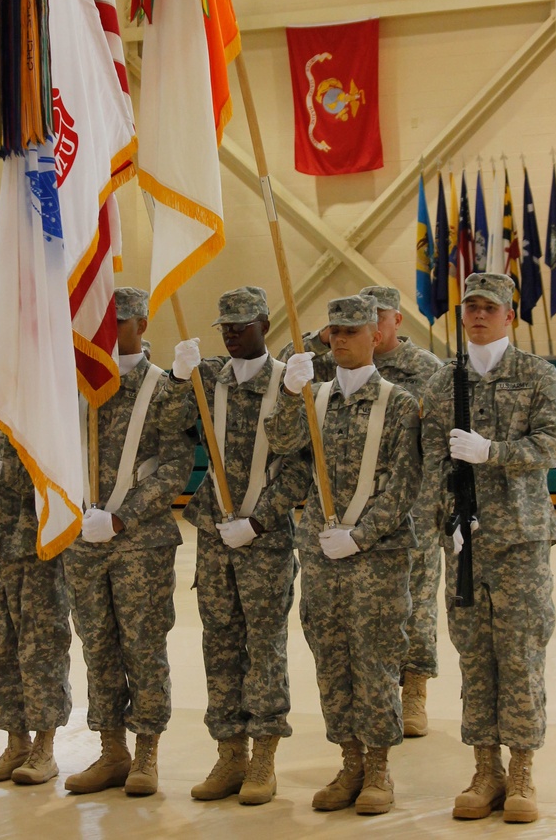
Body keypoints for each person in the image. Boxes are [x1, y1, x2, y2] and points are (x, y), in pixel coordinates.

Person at [421, 272, 556, 824]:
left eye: (490, 307)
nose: (478, 316)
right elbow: (433, 459)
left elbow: (552, 445)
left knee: (521, 655)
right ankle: (486, 770)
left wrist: (493, 451)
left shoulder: (537, 376)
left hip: (520, 542)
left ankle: (523, 769)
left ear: (510, 315)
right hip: (465, 545)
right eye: (470, 308)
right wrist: (447, 518)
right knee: (474, 658)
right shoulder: (445, 382)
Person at [266, 293, 421, 816]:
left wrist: (362, 534)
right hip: (321, 555)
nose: (340, 340)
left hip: (375, 557)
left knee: (374, 660)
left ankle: (378, 769)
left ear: (374, 336)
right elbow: (281, 442)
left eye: (352, 332)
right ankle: (349, 761)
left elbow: (405, 485)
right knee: (331, 660)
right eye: (334, 332)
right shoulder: (318, 398)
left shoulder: (398, 403)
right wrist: (290, 391)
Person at [279, 284, 442, 735]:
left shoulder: (422, 372)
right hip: (334, 521)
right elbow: (290, 366)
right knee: (334, 635)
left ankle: (413, 691)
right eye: (338, 330)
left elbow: (430, 447)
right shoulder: (329, 375)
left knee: (414, 608)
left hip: (405, 509)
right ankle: (353, 747)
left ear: (390, 323)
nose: (344, 337)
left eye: (374, 319)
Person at [167, 285, 307, 807]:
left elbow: (299, 468)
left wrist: (262, 521)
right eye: (224, 326)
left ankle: (264, 757)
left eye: (240, 325)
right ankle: (229, 753)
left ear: (264, 325)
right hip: (213, 533)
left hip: (263, 540)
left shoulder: (288, 384)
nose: (229, 334)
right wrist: (177, 381)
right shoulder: (208, 379)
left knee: (264, 646)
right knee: (219, 643)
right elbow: (169, 425)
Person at [63, 287, 194, 798]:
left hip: (141, 543)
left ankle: (147, 753)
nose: (105, 331)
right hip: (83, 541)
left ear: (141, 322)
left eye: (115, 322)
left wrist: (122, 518)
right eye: (98, 322)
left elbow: (177, 466)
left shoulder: (165, 387)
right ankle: (111, 749)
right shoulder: (79, 387)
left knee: (142, 646)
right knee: (97, 645)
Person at [0, 385, 72, 786]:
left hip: (36, 554)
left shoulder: (41, 429)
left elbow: (56, 488)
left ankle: (45, 747)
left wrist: (4, 473)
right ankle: (16, 742)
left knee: (40, 649)